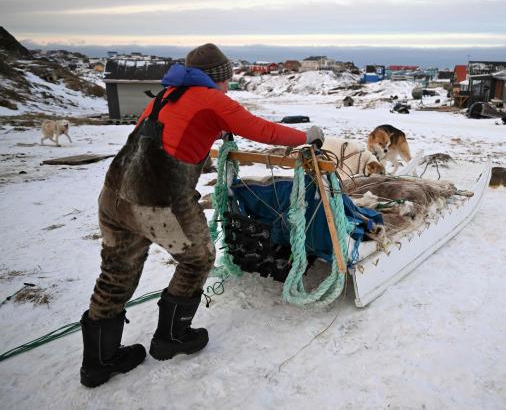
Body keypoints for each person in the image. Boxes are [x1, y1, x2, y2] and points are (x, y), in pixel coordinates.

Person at [80, 43, 325, 387]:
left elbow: (164, 140)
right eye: (227, 79)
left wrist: (209, 133)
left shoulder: (165, 96)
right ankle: (171, 338)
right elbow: (262, 130)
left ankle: (98, 362)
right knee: (197, 259)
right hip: (156, 201)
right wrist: (306, 136)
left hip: (114, 196)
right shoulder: (212, 99)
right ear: (218, 77)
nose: (228, 85)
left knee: (116, 273)